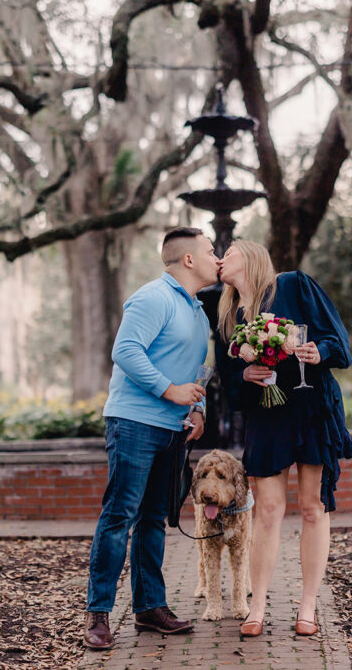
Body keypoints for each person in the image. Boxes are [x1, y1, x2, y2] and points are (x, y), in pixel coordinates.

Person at [83, 227, 221, 650]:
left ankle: (149, 608)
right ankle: (98, 615)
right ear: (189, 260)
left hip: (173, 429)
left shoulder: (197, 311)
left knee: (153, 519)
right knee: (120, 515)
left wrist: (196, 409)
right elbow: (125, 351)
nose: (219, 257)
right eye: (212, 250)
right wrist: (168, 390)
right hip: (135, 422)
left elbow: (198, 371)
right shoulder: (153, 297)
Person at [215, 239, 352, 638]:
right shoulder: (228, 317)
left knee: (313, 508)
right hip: (267, 416)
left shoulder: (294, 285)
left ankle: (308, 606)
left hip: (312, 408)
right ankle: (256, 604)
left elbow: (337, 340)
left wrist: (318, 351)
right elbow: (229, 383)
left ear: (252, 256)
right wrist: (244, 374)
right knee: (268, 511)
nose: (221, 259)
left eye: (230, 252)